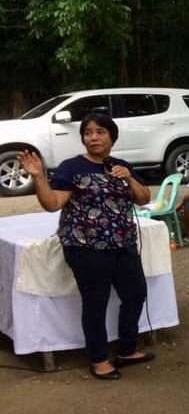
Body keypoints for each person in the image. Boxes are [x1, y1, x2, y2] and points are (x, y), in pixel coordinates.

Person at [18, 113, 154, 380]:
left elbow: (143, 198)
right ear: (82, 138)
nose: (93, 137)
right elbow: (53, 204)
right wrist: (39, 178)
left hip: (123, 243)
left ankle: (126, 349)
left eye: (100, 132)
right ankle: (99, 359)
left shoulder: (121, 165)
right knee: (96, 302)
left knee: (135, 294)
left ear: (112, 136)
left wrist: (129, 178)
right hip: (85, 247)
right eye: (88, 132)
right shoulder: (72, 167)